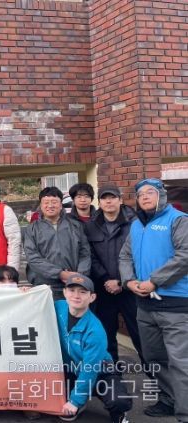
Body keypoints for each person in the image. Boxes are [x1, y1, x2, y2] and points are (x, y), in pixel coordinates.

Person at [119, 177, 188, 421]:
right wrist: (129, 281)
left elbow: (185, 255)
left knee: (180, 362)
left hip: (175, 305)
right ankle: (168, 400)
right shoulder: (137, 225)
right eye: (140, 194)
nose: (145, 197)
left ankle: (185, 412)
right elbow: (125, 256)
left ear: (162, 195)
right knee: (154, 358)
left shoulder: (178, 220)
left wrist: (154, 281)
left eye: (150, 192)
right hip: (145, 305)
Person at [55, 274, 132, 423]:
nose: (76, 296)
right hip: (71, 370)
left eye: (83, 292)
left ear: (92, 297)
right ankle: (80, 398)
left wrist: (74, 402)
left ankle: (118, 413)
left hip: (100, 372)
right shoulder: (58, 307)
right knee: (50, 393)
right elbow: (36, 305)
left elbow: (90, 369)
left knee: (118, 401)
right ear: (64, 292)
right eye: (72, 290)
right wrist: (25, 292)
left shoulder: (95, 330)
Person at [84, 185, 143, 363]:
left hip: (130, 289)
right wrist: (105, 279)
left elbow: (140, 255)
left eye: (112, 197)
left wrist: (122, 280)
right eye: (104, 198)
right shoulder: (90, 226)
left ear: (120, 200)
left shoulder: (136, 223)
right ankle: (112, 374)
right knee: (106, 335)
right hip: (103, 289)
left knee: (140, 335)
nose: (108, 201)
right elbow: (89, 255)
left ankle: (155, 375)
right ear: (99, 202)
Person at [23, 186, 90, 300]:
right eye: (46, 202)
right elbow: (33, 258)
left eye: (54, 202)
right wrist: (59, 273)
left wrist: (79, 275)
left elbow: (85, 253)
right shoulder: (32, 229)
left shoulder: (75, 225)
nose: (50, 206)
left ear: (61, 204)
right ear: (41, 205)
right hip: (44, 286)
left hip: (73, 284)